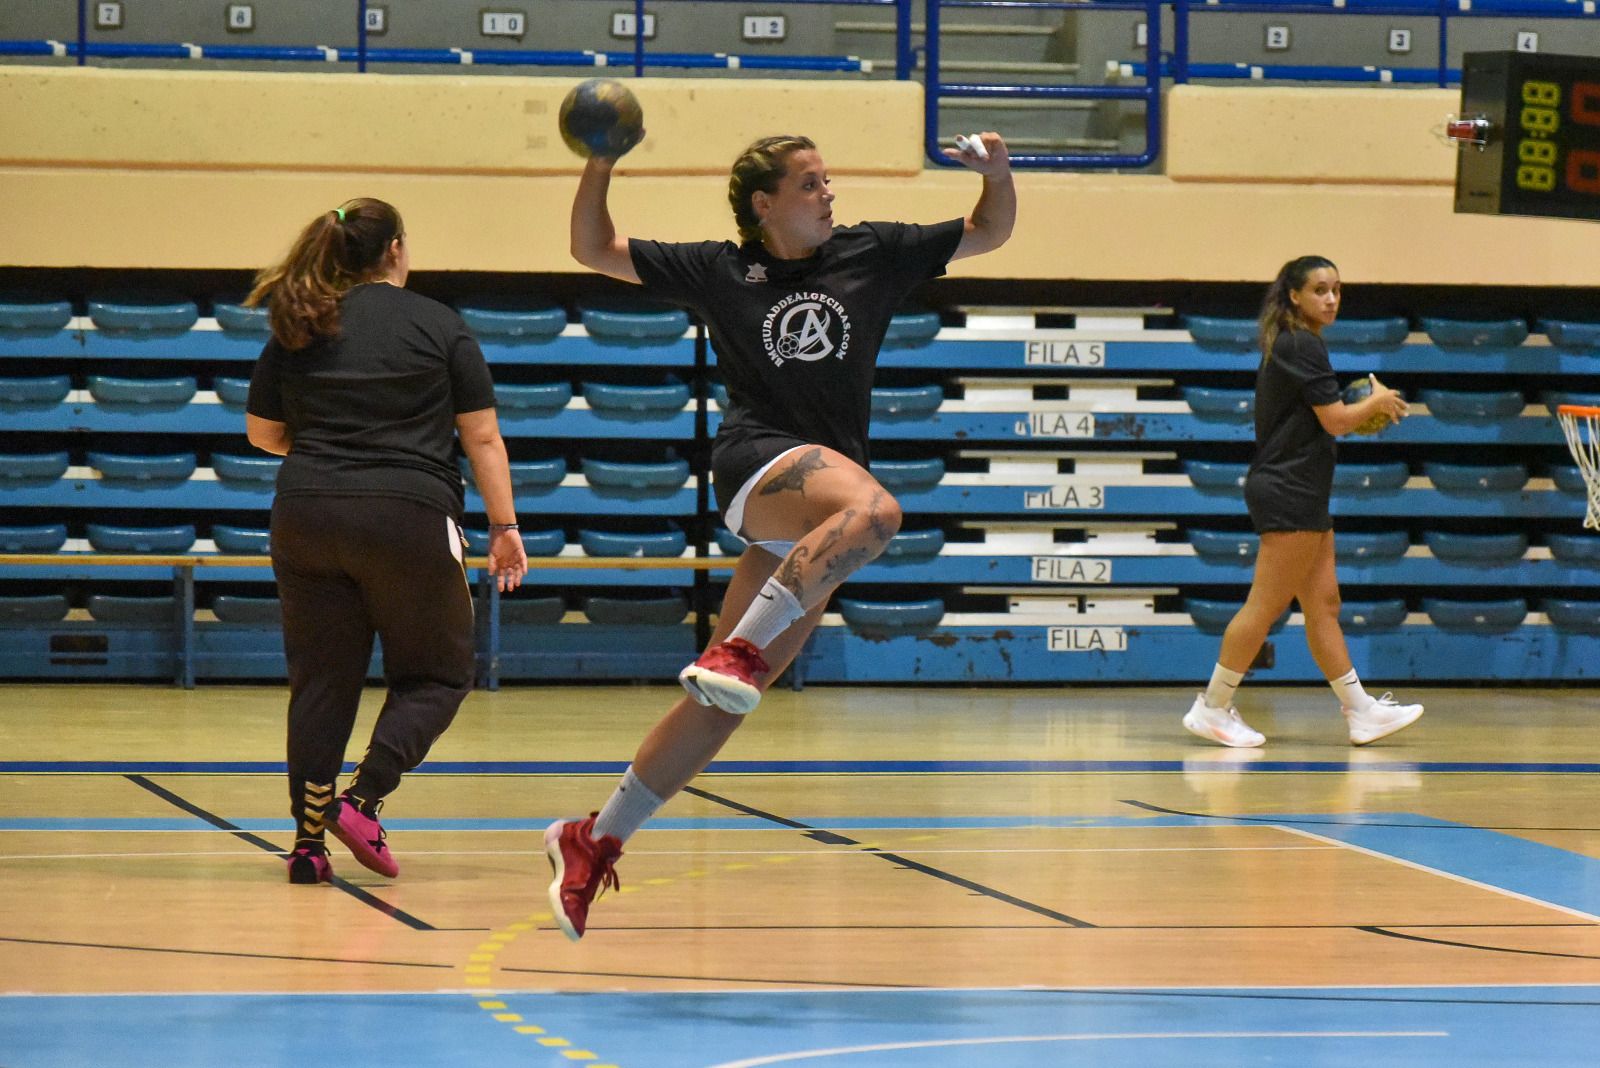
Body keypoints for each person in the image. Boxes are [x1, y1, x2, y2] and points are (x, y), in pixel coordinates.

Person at [544, 131, 1015, 939]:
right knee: (879, 516)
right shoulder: (722, 270)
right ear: (764, 205)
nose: (828, 193)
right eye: (808, 184)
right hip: (762, 465)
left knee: (724, 705)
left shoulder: (874, 252)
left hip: (813, 523)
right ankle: (735, 651)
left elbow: (989, 231)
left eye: (828, 179)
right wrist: (600, 159)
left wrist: (998, 174)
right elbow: (593, 247)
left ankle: (594, 837)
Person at [244, 198, 528, 885]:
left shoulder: (302, 322)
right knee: (438, 673)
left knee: (321, 682)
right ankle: (363, 798)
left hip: (306, 512)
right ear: (396, 249)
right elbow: (481, 436)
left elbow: (262, 435)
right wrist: (505, 527)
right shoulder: (440, 325)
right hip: (408, 513)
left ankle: (308, 845)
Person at [1182, 255, 1423, 749]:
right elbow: (1335, 420)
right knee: (1265, 606)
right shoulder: (1299, 344)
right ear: (1294, 296)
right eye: (1319, 290)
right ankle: (1212, 706)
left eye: (1336, 289)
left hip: (1304, 487)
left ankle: (1361, 712)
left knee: (1324, 602)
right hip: (1287, 489)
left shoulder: (1302, 343)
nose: (1331, 299)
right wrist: (1374, 405)